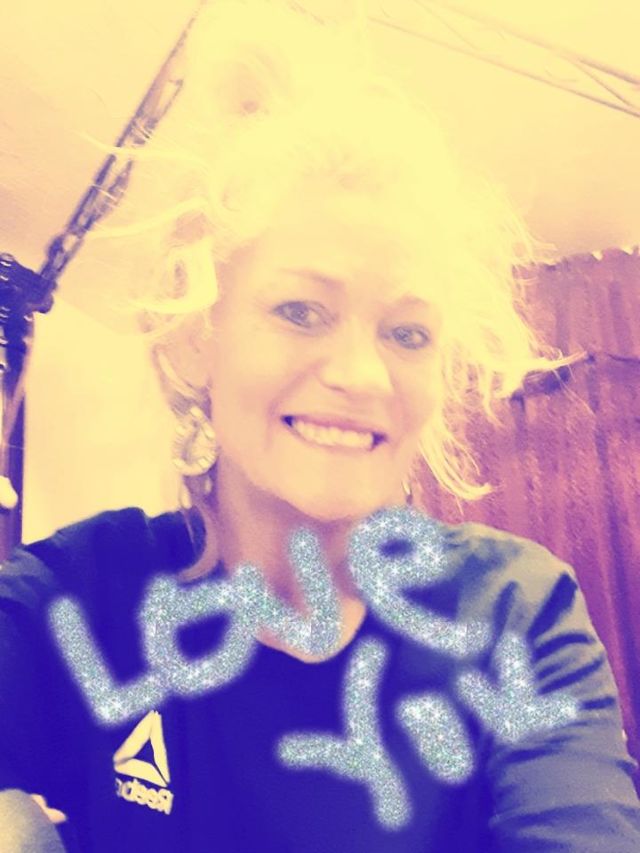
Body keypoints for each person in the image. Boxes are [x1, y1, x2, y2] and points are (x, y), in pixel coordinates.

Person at [1, 1, 639, 850]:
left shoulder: (511, 609)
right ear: (198, 338)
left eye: (406, 333)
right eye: (301, 310)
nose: (362, 375)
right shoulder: (85, 597)